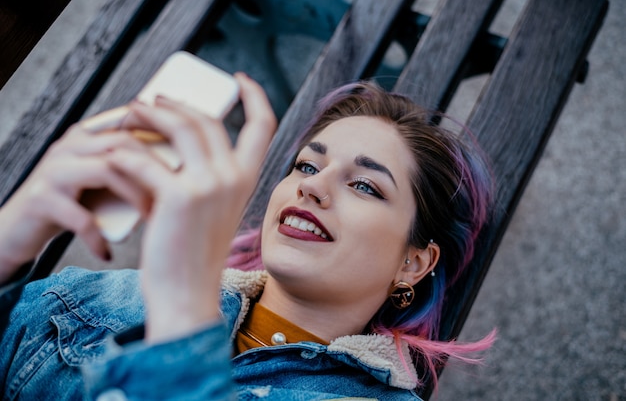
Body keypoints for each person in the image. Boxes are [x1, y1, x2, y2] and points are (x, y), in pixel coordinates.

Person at [0, 74, 494, 400]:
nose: (312, 186)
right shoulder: (96, 298)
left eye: (364, 185)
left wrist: (181, 306)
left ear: (413, 263)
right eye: (307, 164)